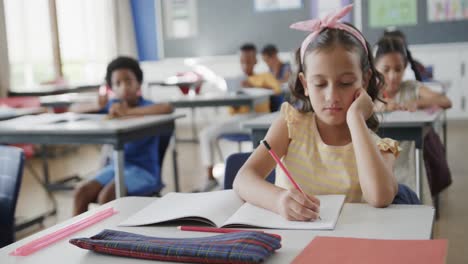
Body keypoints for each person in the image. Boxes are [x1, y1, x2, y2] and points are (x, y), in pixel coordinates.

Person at [233, 5, 401, 221]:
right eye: (320, 84)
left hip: (350, 247)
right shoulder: (291, 125)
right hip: (293, 245)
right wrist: (279, 200)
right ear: (304, 84)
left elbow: (380, 197)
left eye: (346, 83)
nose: (332, 96)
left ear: (365, 80)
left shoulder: (378, 147)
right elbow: (243, 179)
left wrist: (356, 119)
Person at [73, 56, 173, 216]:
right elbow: (75, 109)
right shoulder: (112, 106)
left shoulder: (147, 106)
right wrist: (96, 106)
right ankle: (76, 238)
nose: (124, 87)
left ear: (138, 83)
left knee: (107, 196)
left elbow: (167, 108)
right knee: (81, 192)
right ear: (111, 88)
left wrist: (129, 112)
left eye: (128, 81)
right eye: (118, 84)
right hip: (115, 168)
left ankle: (108, 239)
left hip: (143, 172)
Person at [198, 43, 281, 192]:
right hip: (239, 120)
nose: (245, 65)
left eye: (249, 61)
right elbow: (232, 110)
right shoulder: (236, 81)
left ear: (255, 61)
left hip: (259, 118)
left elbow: (277, 91)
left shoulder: (264, 77)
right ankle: (210, 178)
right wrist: (235, 103)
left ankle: (259, 178)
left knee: (263, 143)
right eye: (242, 61)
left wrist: (252, 86)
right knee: (206, 133)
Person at [373, 37, 451, 112]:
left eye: (398, 69)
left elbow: (445, 101)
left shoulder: (411, 87)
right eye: (386, 70)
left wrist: (415, 103)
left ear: (405, 66)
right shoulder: (371, 92)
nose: (393, 76)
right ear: (374, 67)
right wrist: (377, 107)